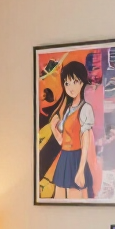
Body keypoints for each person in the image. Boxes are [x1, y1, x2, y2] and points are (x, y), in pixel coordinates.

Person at [47, 60, 95, 199]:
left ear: (82, 82)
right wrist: (53, 127)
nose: (70, 87)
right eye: (67, 83)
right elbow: (61, 141)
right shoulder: (68, 110)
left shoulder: (85, 108)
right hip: (64, 157)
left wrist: (81, 170)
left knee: (75, 200)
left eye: (75, 81)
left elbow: (85, 141)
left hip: (76, 158)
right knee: (58, 200)